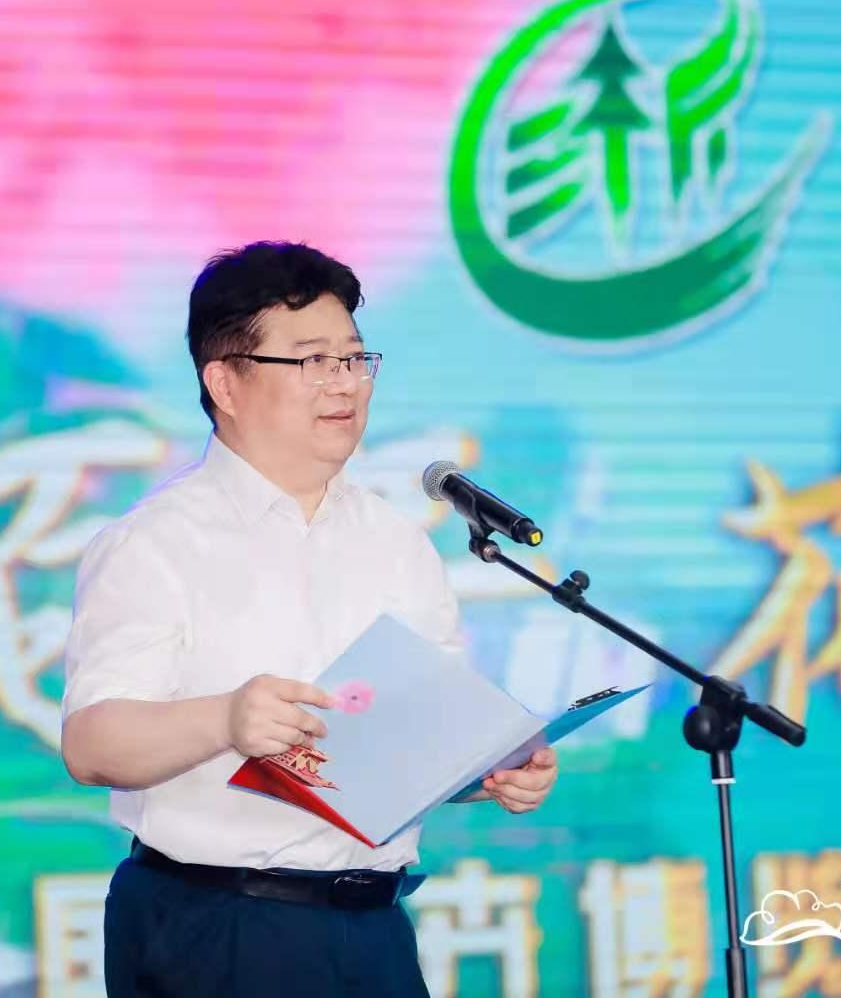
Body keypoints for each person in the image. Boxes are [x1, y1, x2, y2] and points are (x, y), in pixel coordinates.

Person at [61, 241, 559, 997]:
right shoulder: (154, 543)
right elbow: (92, 745)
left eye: (355, 358)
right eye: (312, 361)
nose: (344, 383)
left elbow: (416, 740)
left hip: (374, 929)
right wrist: (226, 718)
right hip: (217, 926)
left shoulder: (397, 542)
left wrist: (486, 771)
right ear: (225, 383)